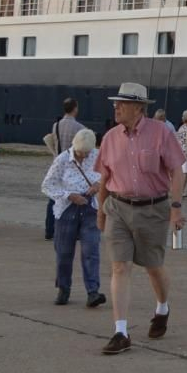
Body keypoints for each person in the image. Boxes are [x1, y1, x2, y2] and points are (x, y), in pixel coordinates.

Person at [94, 81, 185, 356]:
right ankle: (121, 331)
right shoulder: (110, 137)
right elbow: (104, 177)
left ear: (138, 107)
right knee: (119, 267)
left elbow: (178, 171)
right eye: (115, 103)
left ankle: (162, 308)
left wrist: (176, 207)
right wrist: (100, 209)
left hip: (153, 209)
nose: (116, 107)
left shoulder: (160, 134)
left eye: (121, 104)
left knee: (153, 266)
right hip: (118, 208)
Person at [42, 128, 106, 308]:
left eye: (86, 154)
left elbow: (109, 176)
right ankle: (63, 288)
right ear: (74, 147)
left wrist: (98, 185)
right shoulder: (62, 160)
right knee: (64, 252)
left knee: (91, 251)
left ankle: (93, 292)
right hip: (67, 209)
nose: (83, 157)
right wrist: (68, 195)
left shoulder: (98, 156)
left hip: (90, 207)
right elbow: (47, 185)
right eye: (79, 153)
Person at [45, 98, 87, 241]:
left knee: (54, 196)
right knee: (73, 198)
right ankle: (73, 231)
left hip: (57, 164)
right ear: (75, 108)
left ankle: (49, 229)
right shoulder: (80, 128)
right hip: (73, 166)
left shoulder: (55, 126)